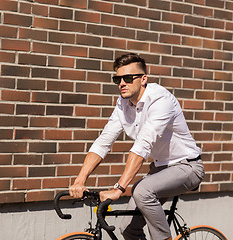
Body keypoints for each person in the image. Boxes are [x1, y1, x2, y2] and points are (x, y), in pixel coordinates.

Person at [69, 53, 205, 240]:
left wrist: (119, 188)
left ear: (143, 79)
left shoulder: (160, 100)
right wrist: (80, 180)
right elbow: (104, 141)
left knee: (141, 190)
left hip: (188, 167)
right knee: (128, 229)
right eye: (117, 79)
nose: (121, 83)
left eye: (127, 78)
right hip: (160, 169)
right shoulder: (123, 104)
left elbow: (142, 145)